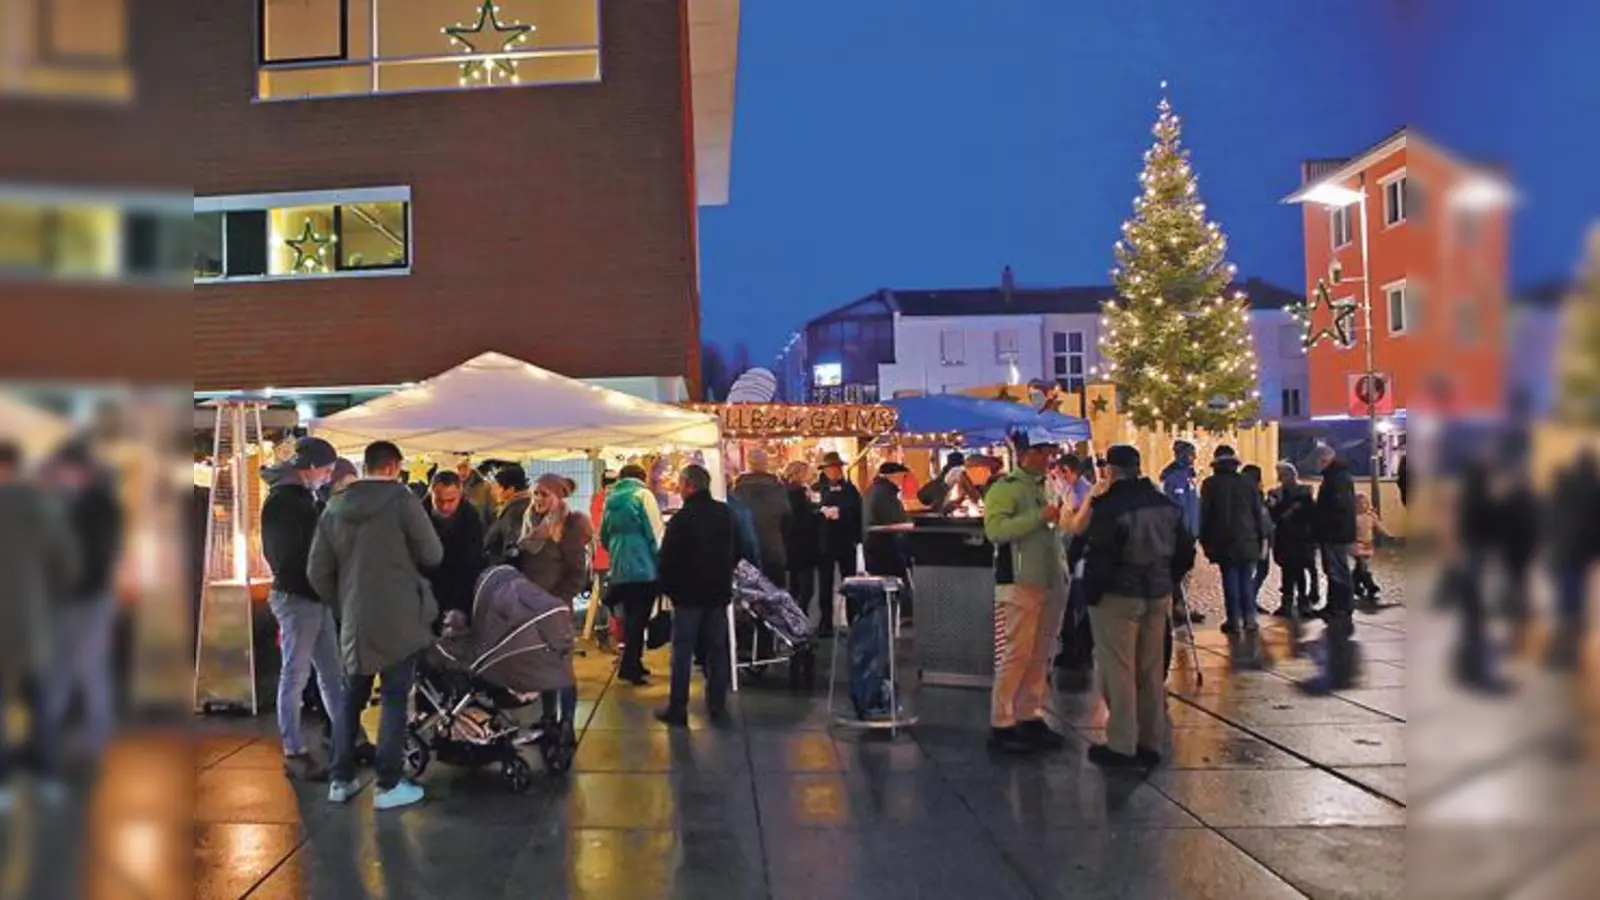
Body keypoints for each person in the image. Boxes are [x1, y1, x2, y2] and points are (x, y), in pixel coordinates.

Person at [309, 440, 443, 811]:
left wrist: (343, 603)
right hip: (400, 618)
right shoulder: (402, 501)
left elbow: (317, 570)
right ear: (394, 466)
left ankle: (340, 779)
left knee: (350, 698)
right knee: (395, 699)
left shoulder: (334, 507)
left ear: (365, 466)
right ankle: (388, 783)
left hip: (356, 620)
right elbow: (432, 553)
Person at [1080, 445, 1196, 769]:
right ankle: (1150, 740)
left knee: (1118, 669)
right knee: (1150, 669)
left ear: (1111, 470)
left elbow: (1101, 555)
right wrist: (1168, 578)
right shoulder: (1165, 505)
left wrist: (1092, 591)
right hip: (1157, 593)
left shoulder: (1110, 507)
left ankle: (1122, 743)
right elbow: (1186, 550)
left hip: (1118, 595)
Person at [259, 436, 347, 781]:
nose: (327, 476)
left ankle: (345, 738)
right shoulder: (287, 504)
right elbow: (292, 557)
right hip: (298, 597)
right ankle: (294, 749)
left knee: (330, 673)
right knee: (297, 675)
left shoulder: (297, 499)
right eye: (326, 470)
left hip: (311, 597)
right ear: (310, 467)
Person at [0, 440, 79, 807]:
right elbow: (67, 565)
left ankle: (3, 784)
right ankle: (47, 777)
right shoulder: (43, 506)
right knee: (41, 700)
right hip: (34, 621)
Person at [983, 433, 1068, 753]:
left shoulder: (1049, 485)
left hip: (1050, 579)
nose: (1047, 457)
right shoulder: (1005, 488)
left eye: (1049, 451)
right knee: (1016, 652)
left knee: (1041, 652)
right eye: (1040, 452)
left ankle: (1029, 713)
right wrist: (1039, 517)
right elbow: (996, 531)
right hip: (1019, 581)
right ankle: (1002, 720)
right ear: (1024, 455)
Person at [655, 464, 736, 727]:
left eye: (680, 484)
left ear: (689, 486)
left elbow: (668, 559)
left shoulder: (682, 519)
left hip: (688, 596)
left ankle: (678, 707)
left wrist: (669, 589)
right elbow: (737, 549)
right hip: (717, 593)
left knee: (683, 651)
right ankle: (717, 704)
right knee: (717, 650)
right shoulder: (724, 514)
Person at [515, 473, 591, 725]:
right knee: (542, 666)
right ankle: (547, 718)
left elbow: (577, 573)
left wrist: (556, 601)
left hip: (556, 608)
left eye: (544, 494)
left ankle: (567, 722)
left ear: (558, 497)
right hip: (531, 606)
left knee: (561, 667)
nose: (538, 499)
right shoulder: (529, 521)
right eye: (535, 493)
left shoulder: (570, 526)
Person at [1301, 443, 1360, 694]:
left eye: (1318, 461)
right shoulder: (1337, 476)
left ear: (1325, 459)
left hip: (1335, 534)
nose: (1317, 465)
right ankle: (1336, 606)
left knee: (1337, 571)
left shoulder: (1336, 478)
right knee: (1334, 571)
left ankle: (1342, 606)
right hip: (1335, 533)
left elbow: (1338, 508)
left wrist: (1321, 517)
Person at [1199, 446, 1270, 638]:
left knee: (1230, 580)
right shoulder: (1247, 482)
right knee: (1246, 579)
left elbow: (1205, 516)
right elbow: (1258, 512)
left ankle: (1234, 620)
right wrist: (1262, 537)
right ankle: (1250, 618)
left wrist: (1205, 542)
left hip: (1224, 541)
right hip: (1249, 539)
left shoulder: (1210, 484)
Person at [601, 464, 662, 686]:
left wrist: (617, 553)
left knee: (629, 616)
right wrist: (660, 559)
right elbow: (655, 532)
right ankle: (629, 666)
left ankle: (634, 662)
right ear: (642, 477)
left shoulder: (610, 500)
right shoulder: (643, 495)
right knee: (640, 617)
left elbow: (604, 535)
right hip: (643, 565)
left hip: (619, 565)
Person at [1545, 450, 1600, 669]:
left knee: (1565, 605)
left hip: (1562, 554)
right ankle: (1569, 655)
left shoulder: (1565, 487)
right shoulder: (1594, 490)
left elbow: (1552, 517)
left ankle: (1561, 654)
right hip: (1578, 556)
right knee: (1574, 606)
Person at [1053, 454, 1095, 682]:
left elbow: (1078, 525)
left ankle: (1077, 649)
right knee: (1072, 602)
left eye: (1060, 473)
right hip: (1072, 551)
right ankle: (1075, 648)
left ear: (1068, 471)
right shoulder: (1075, 489)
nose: (1058, 478)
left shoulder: (1080, 491)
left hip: (1077, 554)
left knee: (1074, 602)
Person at [425, 470, 487, 623]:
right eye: (439, 500)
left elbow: (472, 566)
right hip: (424, 597)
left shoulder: (471, 520)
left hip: (458, 597)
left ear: (461, 494)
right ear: (431, 493)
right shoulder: (416, 517)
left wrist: (460, 607)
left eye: (451, 500)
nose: (445, 506)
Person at [813, 452, 862, 638]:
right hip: (823, 542)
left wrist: (856, 535)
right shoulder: (817, 489)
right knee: (824, 585)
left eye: (837, 467)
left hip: (845, 541)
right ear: (825, 470)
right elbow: (810, 512)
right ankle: (825, 623)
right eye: (831, 468)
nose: (835, 471)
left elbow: (857, 511)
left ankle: (853, 619)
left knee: (849, 582)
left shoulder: (850, 489)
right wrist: (822, 512)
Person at [863, 461, 916, 623]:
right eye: (902, 476)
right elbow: (894, 520)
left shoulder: (875, 491)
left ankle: (891, 616)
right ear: (893, 476)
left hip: (875, 546)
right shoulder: (884, 494)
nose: (903, 480)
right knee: (894, 582)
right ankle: (899, 616)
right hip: (886, 547)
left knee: (885, 583)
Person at [1160, 441, 1206, 625]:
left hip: (1190, 532)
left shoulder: (1189, 476)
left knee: (1186, 572)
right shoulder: (1175, 478)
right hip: (1181, 534)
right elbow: (1176, 506)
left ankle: (1181, 605)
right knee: (1180, 571)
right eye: (1191, 454)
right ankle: (1177, 607)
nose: (1194, 458)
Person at [733, 448, 792, 590]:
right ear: (766, 464)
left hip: (746, 552)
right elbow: (787, 516)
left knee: (750, 595)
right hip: (773, 548)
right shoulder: (777, 487)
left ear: (749, 464)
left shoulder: (738, 489)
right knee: (776, 593)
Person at [1267, 462, 1318, 618]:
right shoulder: (1276, 493)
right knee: (1287, 571)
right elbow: (1273, 515)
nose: (1282, 478)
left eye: (1284, 474)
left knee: (1299, 570)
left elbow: (1311, 514)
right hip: (1285, 537)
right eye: (1280, 475)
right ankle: (1288, 602)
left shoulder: (1304, 492)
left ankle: (1302, 601)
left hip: (1301, 537)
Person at [781, 460, 823, 634]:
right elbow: (803, 521)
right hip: (803, 547)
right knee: (806, 589)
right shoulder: (798, 494)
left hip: (790, 547)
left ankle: (794, 623)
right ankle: (799, 623)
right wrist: (818, 515)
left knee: (794, 587)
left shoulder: (784, 492)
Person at [483, 465, 533, 563]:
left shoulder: (516, 512)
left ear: (510, 489)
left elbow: (513, 550)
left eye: (497, 487)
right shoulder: (514, 507)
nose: (493, 492)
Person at [1352, 493, 1392, 610]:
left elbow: (1379, 526)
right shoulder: (1353, 517)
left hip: (1368, 544)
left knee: (1360, 568)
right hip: (1357, 545)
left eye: (1365, 503)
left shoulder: (1371, 516)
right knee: (1363, 566)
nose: (1362, 506)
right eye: (1360, 504)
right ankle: (1371, 586)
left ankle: (1353, 584)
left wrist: (1389, 535)